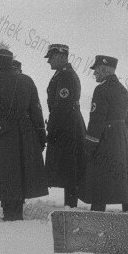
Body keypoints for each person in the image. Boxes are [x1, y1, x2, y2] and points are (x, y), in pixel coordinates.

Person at [0, 49, 48, 221]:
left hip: (1, 135)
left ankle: (10, 215)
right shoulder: (27, 81)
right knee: (21, 173)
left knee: (5, 174)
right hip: (25, 133)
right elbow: (36, 111)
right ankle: (16, 211)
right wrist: (40, 137)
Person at [79, 55, 128, 212]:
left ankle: (97, 212)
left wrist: (90, 144)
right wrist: (120, 135)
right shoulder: (124, 91)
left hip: (104, 139)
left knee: (100, 176)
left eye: (96, 70)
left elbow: (96, 120)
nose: (94, 73)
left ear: (104, 70)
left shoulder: (101, 90)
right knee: (123, 177)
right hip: (121, 140)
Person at [44, 44, 86, 208]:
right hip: (68, 123)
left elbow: (62, 105)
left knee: (69, 166)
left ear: (62, 57)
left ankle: (71, 206)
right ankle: (70, 204)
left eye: (51, 57)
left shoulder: (66, 76)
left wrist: (53, 129)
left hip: (67, 125)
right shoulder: (61, 74)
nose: (48, 61)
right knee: (69, 166)